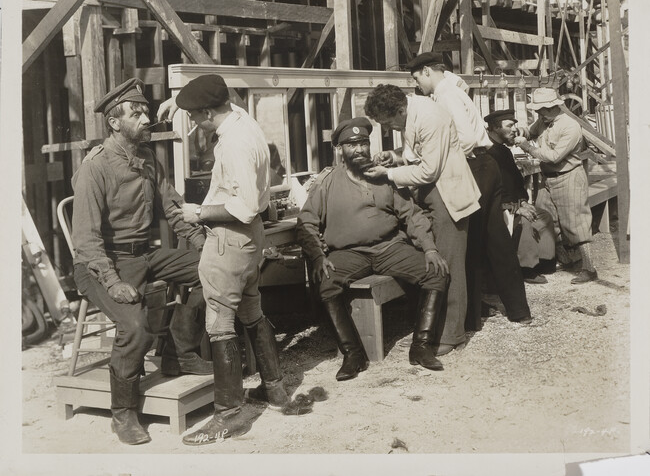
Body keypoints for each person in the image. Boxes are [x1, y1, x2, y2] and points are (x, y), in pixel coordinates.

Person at [158, 74, 311, 446]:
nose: (194, 124)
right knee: (251, 312)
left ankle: (229, 415)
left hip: (229, 238)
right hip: (251, 239)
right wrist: (174, 102)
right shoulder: (244, 120)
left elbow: (241, 208)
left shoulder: (233, 146)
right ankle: (274, 390)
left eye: (195, 117)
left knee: (220, 325)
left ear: (209, 112)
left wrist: (199, 214)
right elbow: (220, 100)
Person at [71, 78, 211, 445]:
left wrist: (205, 247)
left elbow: (174, 209)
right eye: (137, 113)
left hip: (144, 254)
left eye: (146, 110)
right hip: (100, 264)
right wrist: (113, 281)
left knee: (212, 272)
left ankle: (179, 352)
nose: (147, 118)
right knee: (135, 328)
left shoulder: (148, 157)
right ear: (115, 123)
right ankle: (124, 413)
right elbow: (85, 241)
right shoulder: (95, 168)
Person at [296, 117, 450, 380]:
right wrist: (319, 256)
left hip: (390, 247)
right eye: (351, 144)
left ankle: (421, 347)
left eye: (363, 143)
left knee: (436, 272)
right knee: (327, 282)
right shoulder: (327, 183)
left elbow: (411, 215)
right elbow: (306, 223)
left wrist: (429, 248)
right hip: (349, 253)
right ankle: (353, 355)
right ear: (340, 150)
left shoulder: (384, 177)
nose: (358, 149)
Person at [403, 53, 533, 332]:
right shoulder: (453, 89)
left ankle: (469, 318)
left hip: (473, 166)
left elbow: (467, 138)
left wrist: (437, 159)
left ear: (427, 71)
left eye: (416, 78)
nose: (417, 85)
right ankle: (518, 310)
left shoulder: (445, 95)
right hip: (487, 165)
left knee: (469, 242)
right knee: (496, 239)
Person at [363, 84, 480, 356]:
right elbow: (418, 154)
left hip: (446, 196)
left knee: (448, 265)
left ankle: (452, 335)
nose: (390, 128)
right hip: (430, 194)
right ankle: (433, 328)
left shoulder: (430, 116)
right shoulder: (413, 112)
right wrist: (394, 157)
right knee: (433, 264)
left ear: (400, 109)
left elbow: (428, 171)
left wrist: (387, 174)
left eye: (389, 123)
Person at [514, 88, 597, 284]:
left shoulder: (570, 126)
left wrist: (526, 146)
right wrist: (521, 131)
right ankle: (565, 258)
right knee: (545, 217)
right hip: (549, 177)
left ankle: (589, 268)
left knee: (576, 223)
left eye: (541, 109)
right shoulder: (544, 120)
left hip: (569, 176)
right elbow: (531, 132)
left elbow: (554, 156)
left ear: (552, 107)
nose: (538, 113)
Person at [484, 109, 556, 284]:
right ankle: (526, 268)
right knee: (524, 221)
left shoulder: (505, 151)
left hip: (514, 202)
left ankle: (545, 261)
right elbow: (491, 188)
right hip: (497, 206)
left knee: (544, 216)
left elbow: (516, 181)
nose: (514, 130)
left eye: (514, 125)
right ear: (494, 128)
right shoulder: (487, 153)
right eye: (509, 126)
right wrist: (513, 206)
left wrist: (523, 200)